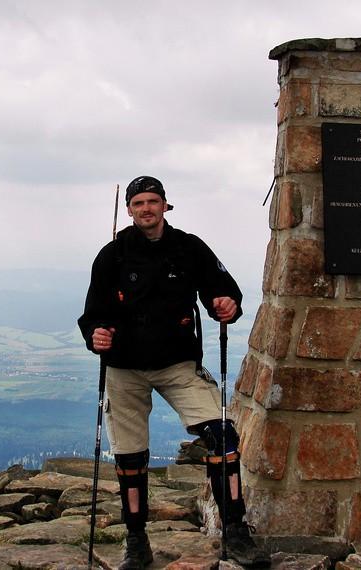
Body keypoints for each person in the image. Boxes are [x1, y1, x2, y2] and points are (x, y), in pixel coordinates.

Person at [78, 176, 269, 568]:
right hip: (124, 368)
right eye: (138, 203)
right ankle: (136, 541)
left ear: (166, 206)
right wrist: (93, 334)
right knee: (130, 458)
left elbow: (223, 289)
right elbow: (93, 314)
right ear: (129, 210)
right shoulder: (111, 256)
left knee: (223, 436)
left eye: (153, 202)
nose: (146, 209)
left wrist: (227, 303)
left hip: (179, 363)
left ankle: (235, 530)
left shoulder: (189, 248)